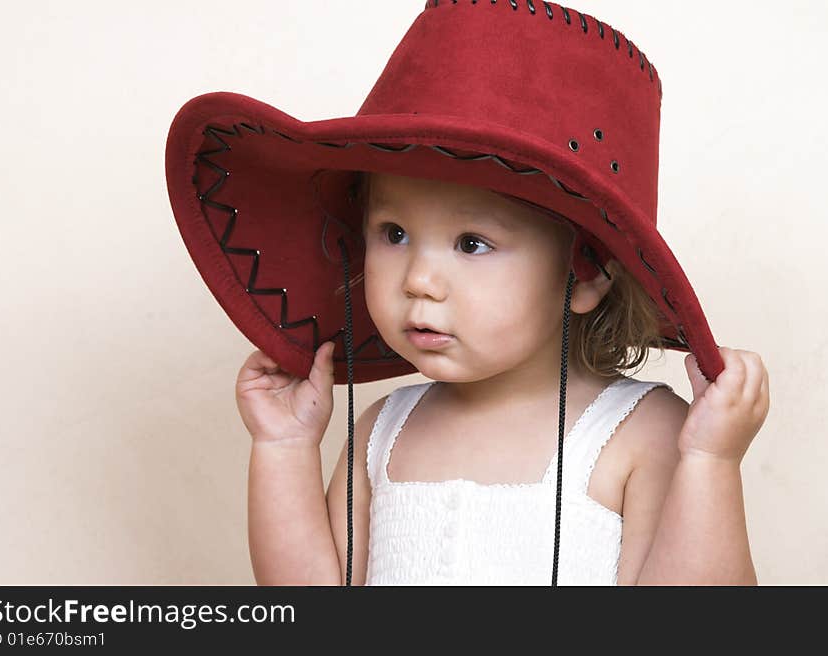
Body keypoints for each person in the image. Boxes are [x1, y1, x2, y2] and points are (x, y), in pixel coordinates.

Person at [165, 2, 770, 585]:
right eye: (394, 233)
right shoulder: (385, 430)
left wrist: (712, 465)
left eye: (473, 243)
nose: (418, 280)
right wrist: (284, 447)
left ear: (587, 274)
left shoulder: (640, 433)